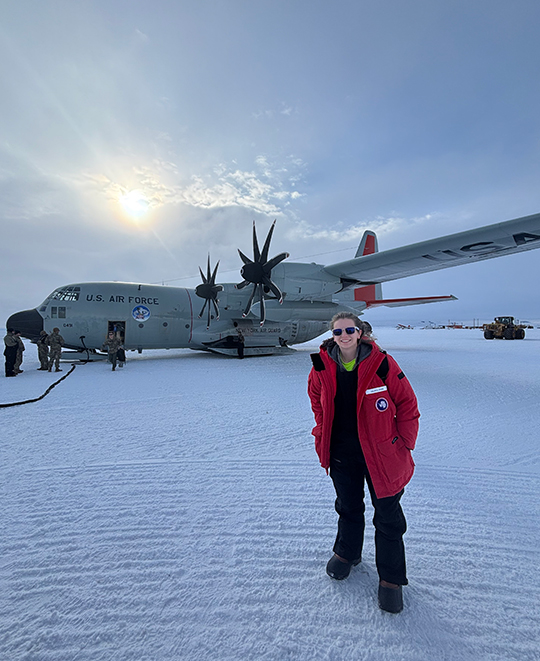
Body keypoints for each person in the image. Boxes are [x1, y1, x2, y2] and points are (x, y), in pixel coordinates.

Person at [308, 312, 420, 614]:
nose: (343, 336)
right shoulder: (321, 364)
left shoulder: (381, 363)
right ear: (332, 335)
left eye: (349, 330)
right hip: (342, 450)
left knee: (388, 514)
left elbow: (407, 405)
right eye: (337, 331)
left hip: (382, 453)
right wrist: (323, 429)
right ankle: (347, 553)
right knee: (348, 505)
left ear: (359, 333)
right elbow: (316, 399)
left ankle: (391, 579)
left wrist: (404, 444)